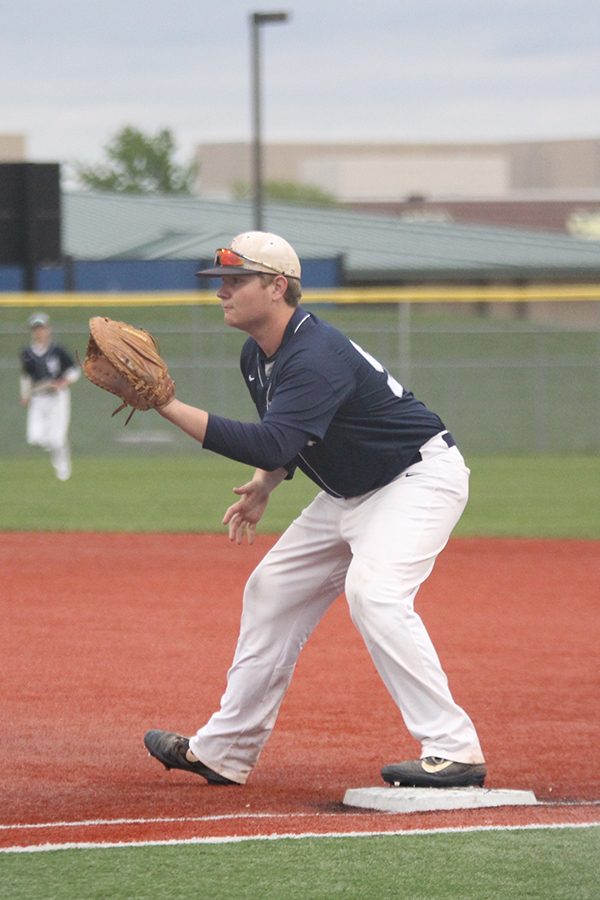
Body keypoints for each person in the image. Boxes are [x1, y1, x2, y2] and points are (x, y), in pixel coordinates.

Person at [144, 231, 486, 789]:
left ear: (277, 287)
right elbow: (292, 441)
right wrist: (264, 484)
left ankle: (455, 748)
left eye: (235, 281)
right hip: (350, 492)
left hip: (416, 481)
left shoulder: (315, 355)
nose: (221, 292)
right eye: (219, 282)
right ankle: (224, 752)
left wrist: (167, 406)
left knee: (374, 594)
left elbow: (274, 441)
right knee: (271, 589)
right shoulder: (257, 354)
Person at [19, 312, 81, 482]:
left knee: (57, 439)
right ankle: (55, 444)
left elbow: (74, 371)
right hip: (38, 397)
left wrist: (63, 382)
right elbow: (26, 376)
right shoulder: (27, 353)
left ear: (48, 329)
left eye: (42, 328)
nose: (39, 332)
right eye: (36, 329)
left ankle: (63, 467)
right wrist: (24, 394)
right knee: (35, 437)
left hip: (57, 397)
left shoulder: (58, 350)